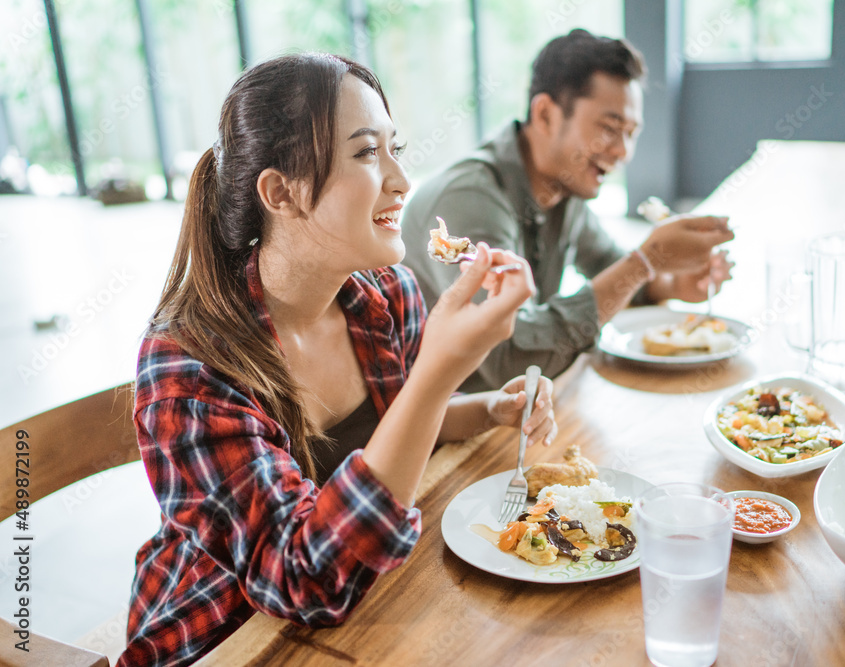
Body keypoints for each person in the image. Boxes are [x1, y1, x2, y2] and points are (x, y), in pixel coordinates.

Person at [118, 53, 556, 667]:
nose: (402, 180)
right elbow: (304, 580)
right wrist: (439, 371)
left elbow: (396, 424)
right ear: (280, 192)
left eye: (393, 147)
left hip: (368, 611)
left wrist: (488, 407)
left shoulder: (385, 294)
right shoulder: (187, 371)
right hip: (228, 639)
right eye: (365, 153)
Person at [402, 29, 734, 392]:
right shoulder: (469, 199)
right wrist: (646, 260)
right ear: (545, 114)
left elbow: (613, 271)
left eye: (631, 132)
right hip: (448, 426)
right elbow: (507, 360)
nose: (623, 152)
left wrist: (671, 282)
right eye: (609, 128)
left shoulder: (563, 187)